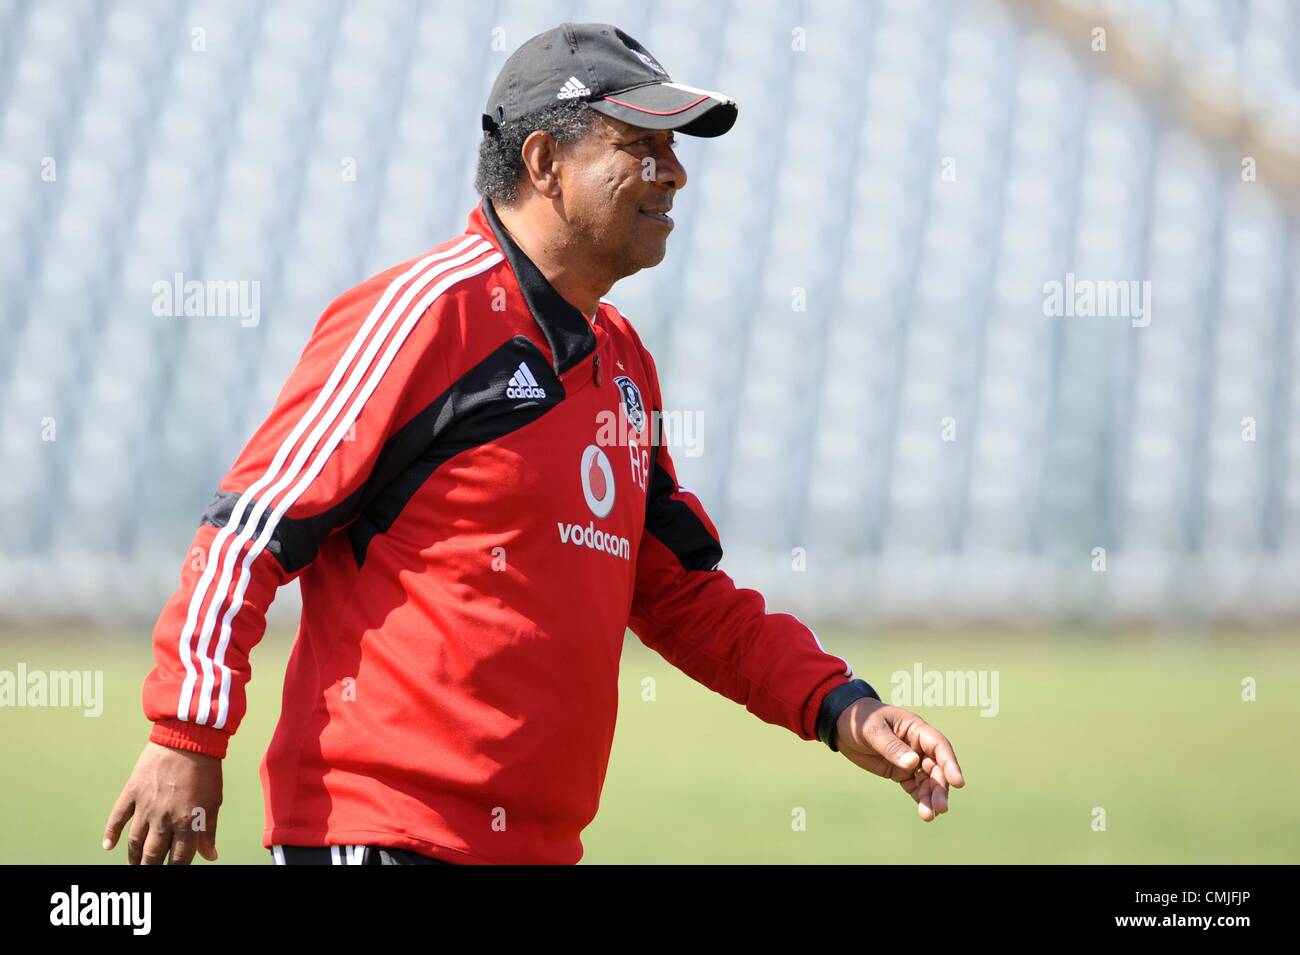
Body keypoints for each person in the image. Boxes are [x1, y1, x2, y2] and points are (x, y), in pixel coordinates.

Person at [103, 22, 964, 866]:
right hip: (381, 836)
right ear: (545, 163)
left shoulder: (623, 363)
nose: (677, 174)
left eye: (675, 148)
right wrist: (186, 730)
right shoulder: (423, 314)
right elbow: (248, 531)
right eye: (643, 145)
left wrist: (840, 705)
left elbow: (677, 594)